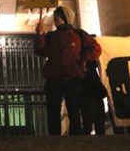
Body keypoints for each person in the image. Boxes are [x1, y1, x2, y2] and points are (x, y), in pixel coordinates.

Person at [35, 7, 101, 135]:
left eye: (58, 17)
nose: (55, 19)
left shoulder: (79, 34)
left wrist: (82, 59)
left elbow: (96, 48)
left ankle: (75, 138)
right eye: (54, 17)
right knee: (53, 111)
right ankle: (55, 139)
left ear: (66, 18)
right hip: (54, 79)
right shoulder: (51, 36)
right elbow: (40, 50)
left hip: (73, 79)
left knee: (74, 110)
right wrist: (40, 35)